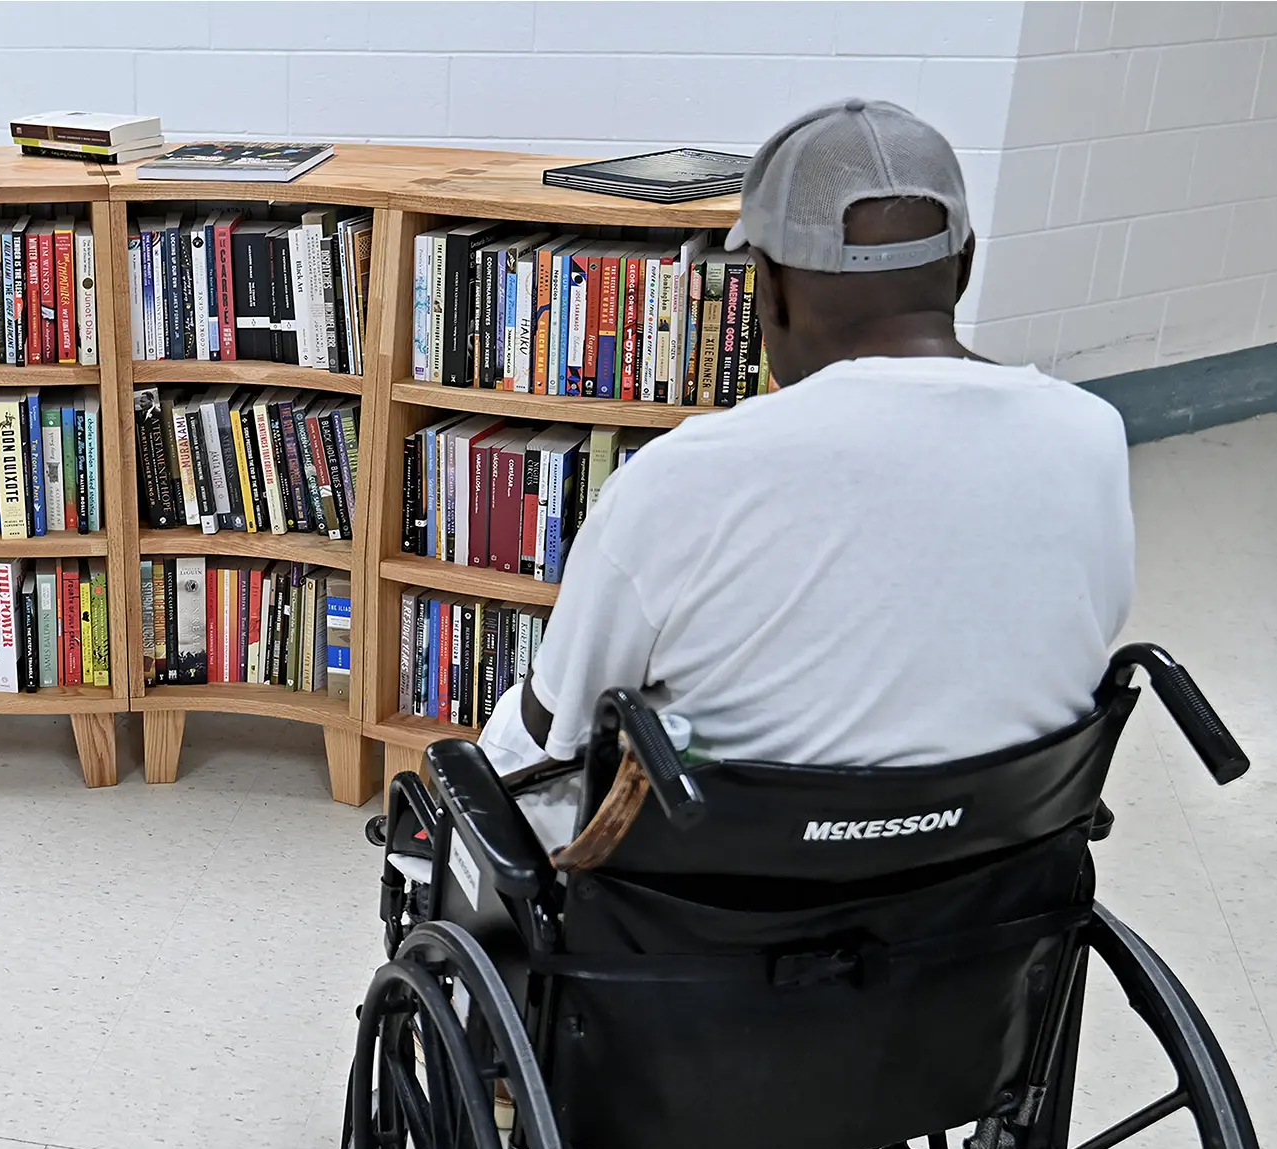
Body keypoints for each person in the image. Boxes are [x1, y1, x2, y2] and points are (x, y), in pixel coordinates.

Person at [480, 99, 1134, 850]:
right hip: (983, 899)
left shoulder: (683, 478)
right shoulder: (1090, 434)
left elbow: (553, 728)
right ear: (965, 264)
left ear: (770, 286)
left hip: (720, 920)